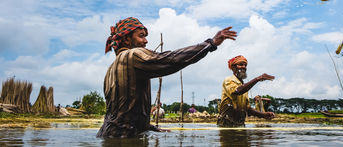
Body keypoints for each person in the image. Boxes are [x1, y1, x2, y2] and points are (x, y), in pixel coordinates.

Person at [97, 17, 237, 138]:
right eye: (141, 36)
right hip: (123, 138)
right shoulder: (132, 55)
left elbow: (123, 111)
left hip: (109, 134)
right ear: (127, 39)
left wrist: (148, 126)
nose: (145, 41)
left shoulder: (111, 68)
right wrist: (211, 43)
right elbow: (170, 60)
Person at [217, 55, 275, 127]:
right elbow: (237, 91)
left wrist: (263, 115)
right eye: (241, 64)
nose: (244, 67)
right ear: (233, 67)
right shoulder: (229, 80)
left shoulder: (243, 86)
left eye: (245, 65)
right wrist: (257, 79)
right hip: (226, 123)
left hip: (240, 124)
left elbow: (247, 108)